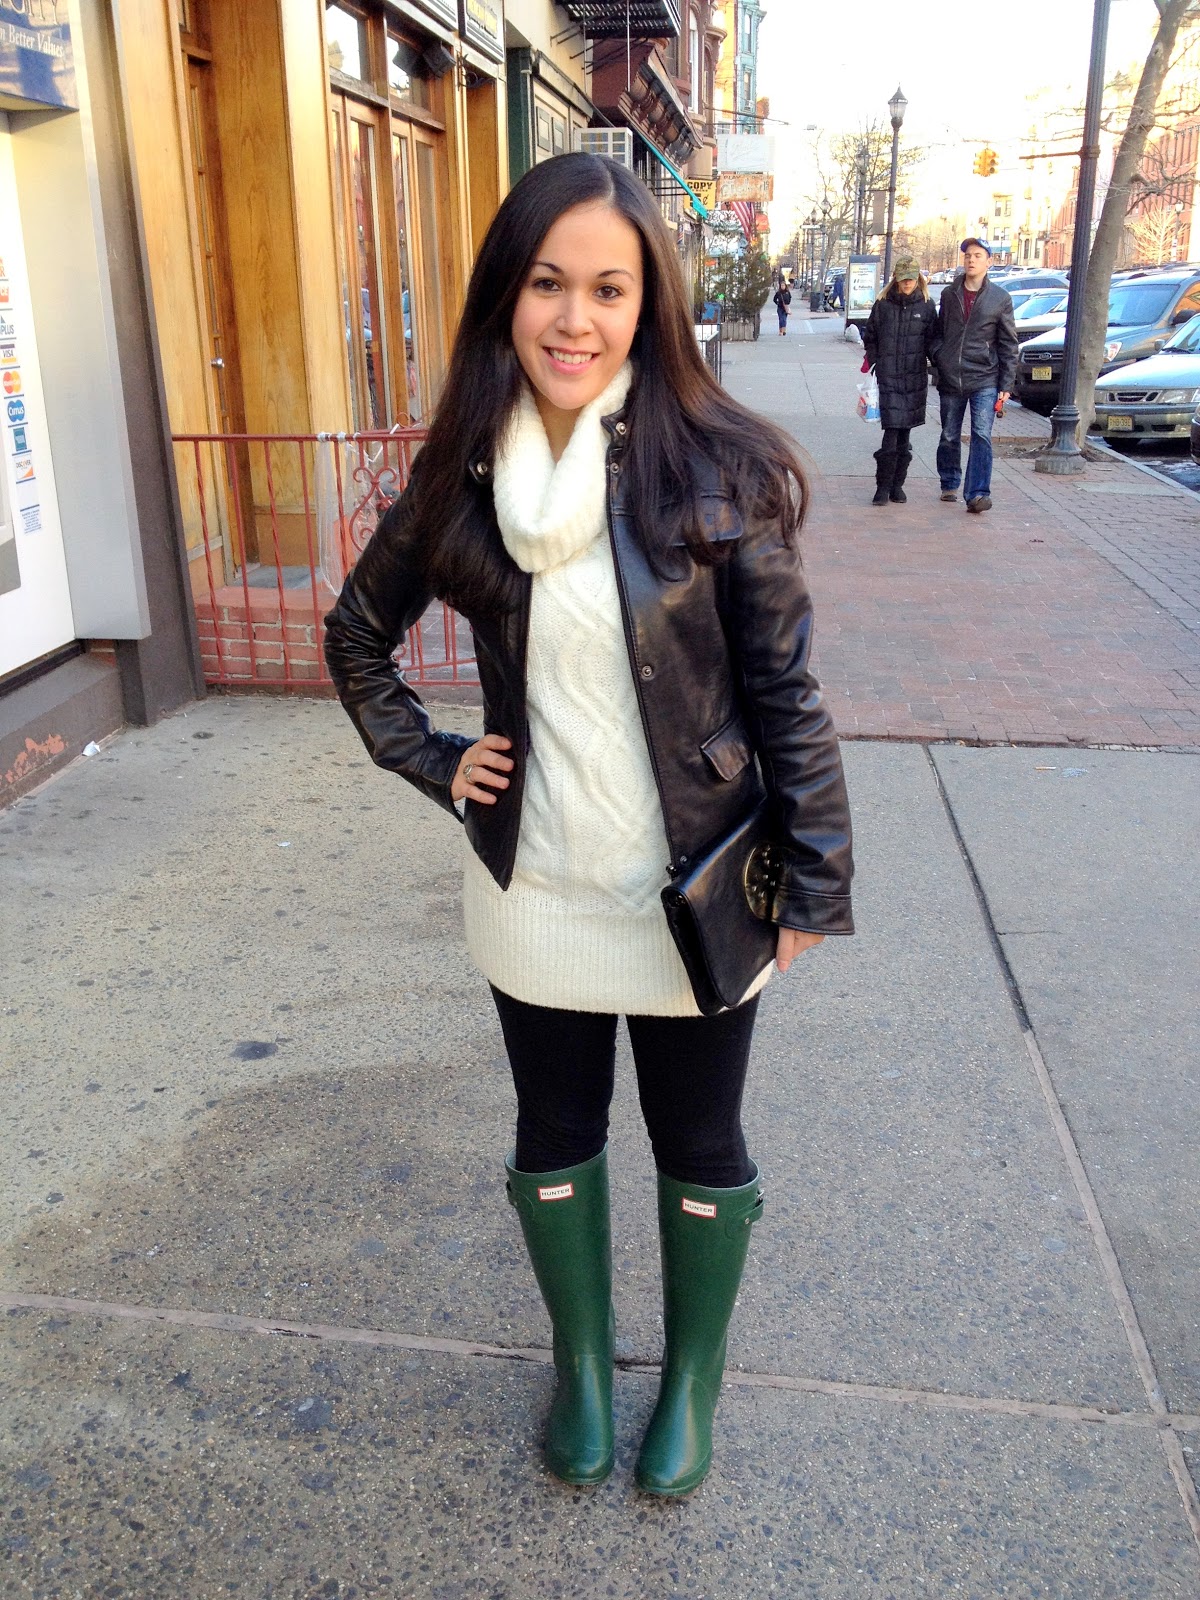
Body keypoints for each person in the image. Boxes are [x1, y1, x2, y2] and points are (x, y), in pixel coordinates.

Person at [323, 153, 854, 1498]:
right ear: (507, 299)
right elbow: (357, 636)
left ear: (646, 305)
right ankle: (579, 1366)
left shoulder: (716, 471)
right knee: (554, 1138)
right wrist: (435, 761)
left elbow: (789, 697)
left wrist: (812, 886)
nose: (575, 318)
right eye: (548, 284)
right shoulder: (463, 482)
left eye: (607, 289)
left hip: (694, 895)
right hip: (536, 891)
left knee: (702, 1148)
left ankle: (686, 1384)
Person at [934, 238, 1018, 513]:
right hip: (952, 376)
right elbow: (939, 332)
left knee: (981, 434)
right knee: (949, 434)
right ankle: (949, 481)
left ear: (988, 262)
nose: (971, 260)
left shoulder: (999, 298)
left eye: (977, 255)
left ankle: (978, 493)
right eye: (968, 255)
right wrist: (940, 355)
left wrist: (1006, 384)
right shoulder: (949, 294)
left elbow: (1008, 344)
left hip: (985, 377)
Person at [862, 256, 941, 507]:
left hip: (913, 378)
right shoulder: (883, 304)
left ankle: (898, 485)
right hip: (889, 377)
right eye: (903, 277)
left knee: (904, 435)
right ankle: (883, 486)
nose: (907, 282)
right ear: (896, 278)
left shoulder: (927, 306)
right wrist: (876, 361)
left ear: (918, 278)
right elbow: (870, 335)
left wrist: (939, 365)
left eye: (911, 277)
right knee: (891, 432)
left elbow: (933, 340)